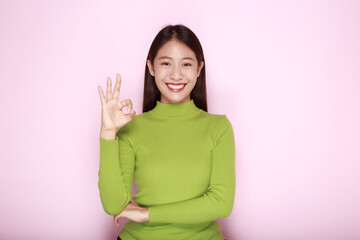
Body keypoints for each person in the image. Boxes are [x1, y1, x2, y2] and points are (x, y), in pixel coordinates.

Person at [97, 24, 235, 240]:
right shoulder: (131, 127)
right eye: (166, 63)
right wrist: (107, 133)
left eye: (186, 64)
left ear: (199, 69)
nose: (176, 74)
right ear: (151, 68)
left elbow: (221, 204)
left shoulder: (219, 127)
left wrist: (147, 214)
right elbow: (114, 204)